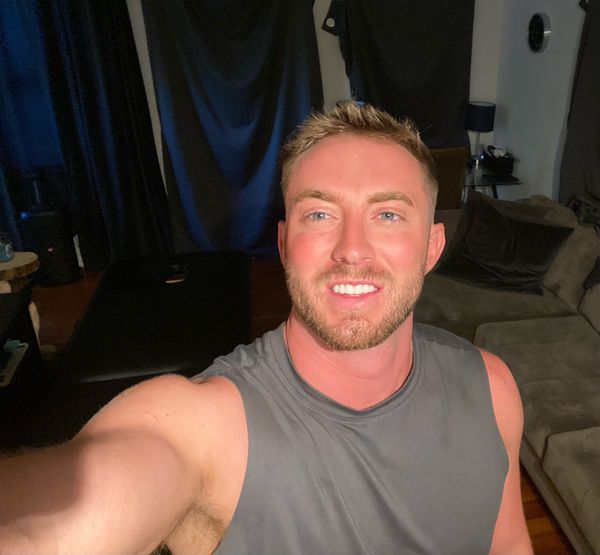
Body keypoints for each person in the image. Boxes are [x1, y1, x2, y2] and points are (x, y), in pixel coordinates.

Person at [0, 102, 533, 555]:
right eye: (320, 214)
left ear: (432, 248)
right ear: (283, 245)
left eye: (388, 215)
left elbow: (509, 545)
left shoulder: (492, 387)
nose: (352, 249)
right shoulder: (206, 427)